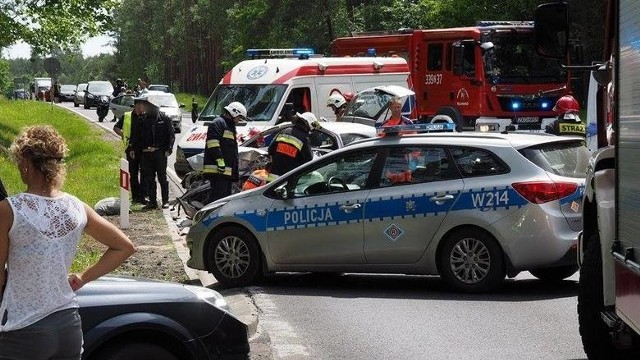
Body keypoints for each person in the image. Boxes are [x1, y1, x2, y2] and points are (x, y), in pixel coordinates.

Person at [0, 125, 136, 359]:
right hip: (68, 326)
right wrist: (83, 277)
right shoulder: (76, 206)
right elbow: (125, 247)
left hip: (23, 328)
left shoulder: (9, 209)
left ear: (25, 163)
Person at [128, 94, 175, 210]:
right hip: (146, 153)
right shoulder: (142, 119)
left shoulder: (164, 118)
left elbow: (171, 135)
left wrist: (169, 149)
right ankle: (152, 202)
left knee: (162, 178)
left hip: (160, 153)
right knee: (149, 178)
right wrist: (132, 148)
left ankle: (165, 201)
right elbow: (136, 136)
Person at [203, 101, 246, 203]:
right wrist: (220, 161)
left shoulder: (229, 126)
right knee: (217, 200)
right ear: (234, 113)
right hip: (218, 171)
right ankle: (209, 217)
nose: (239, 120)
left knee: (224, 200)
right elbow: (212, 143)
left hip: (225, 173)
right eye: (239, 117)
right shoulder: (218, 123)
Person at [114, 100, 147, 204]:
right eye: (140, 106)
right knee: (133, 173)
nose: (142, 108)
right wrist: (123, 134)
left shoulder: (145, 117)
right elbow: (116, 127)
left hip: (143, 149)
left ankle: (143, 196)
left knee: (144, 173)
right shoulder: (127, 116)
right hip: (130, 148)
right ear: (136, 106)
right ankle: (135, 196)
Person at [268, 112, 315, 177]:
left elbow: (270, 150)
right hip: (288, 177)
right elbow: (308, 159)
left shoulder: (284, 131)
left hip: (273, 177)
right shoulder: (304, 138)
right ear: (307, 126)